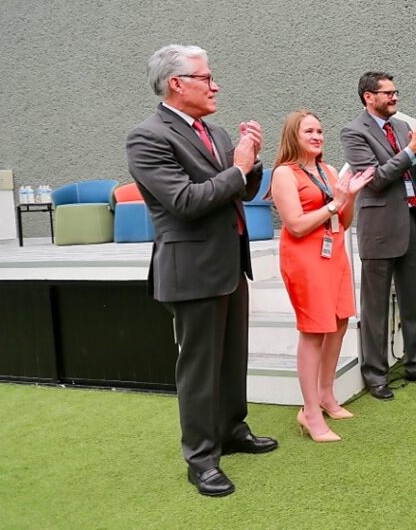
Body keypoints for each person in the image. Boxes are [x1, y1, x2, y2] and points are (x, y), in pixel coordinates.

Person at [126, 44, 277, 498]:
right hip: (192, 269)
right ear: (177, 83)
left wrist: (252, 163)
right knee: (199, 368)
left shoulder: (214, 131)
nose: (215, 86)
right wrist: (240, 167)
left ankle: (232, 430)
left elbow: (236, 189)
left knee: (232, 358)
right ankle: (201, 460)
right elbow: (186, 202)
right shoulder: (147, 137)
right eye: (206, 78)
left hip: (229, 262)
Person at [340, 71, 416, 400]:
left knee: (414, 301)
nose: (395, 97)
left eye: (395, 91)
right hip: (379, 231)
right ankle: (375, 374)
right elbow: (375, 180)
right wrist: (411, 149)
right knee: (375, 308)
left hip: (411, 223)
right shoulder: (353, 132)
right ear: (368, 97)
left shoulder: (402, 127)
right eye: (388, 93)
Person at [269, 110, 374, 442]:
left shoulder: (328, 171)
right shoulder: (284, 173)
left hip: (334, 252)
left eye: (319, 131)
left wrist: (350, 197)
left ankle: (326, 395)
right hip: (305, 258)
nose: (317, 136)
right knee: (314, 331)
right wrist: (334, 203)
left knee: (340, 322)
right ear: (293, 136)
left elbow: (344, 221)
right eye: (309, 131)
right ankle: (310, 411)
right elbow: (296, 225)